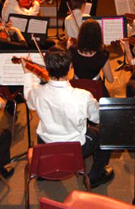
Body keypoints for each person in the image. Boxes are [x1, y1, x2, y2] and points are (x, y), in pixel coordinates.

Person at [22, 46, 114, 188]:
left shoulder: (36, 92)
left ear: (47, 67)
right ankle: (96, 174)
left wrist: (27, 74)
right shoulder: (83, 96)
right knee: (108, 131)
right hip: (76, 149)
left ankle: (45, 167)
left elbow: (30, 102)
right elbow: (99, 119)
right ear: (71, 67)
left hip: (46, 144)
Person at [69, 20, 114, 92]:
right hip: (95, 90)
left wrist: (67, 50)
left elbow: (65, 72)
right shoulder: (103, 54)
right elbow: (110, 79)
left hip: (76, 89)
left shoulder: (72, 50)